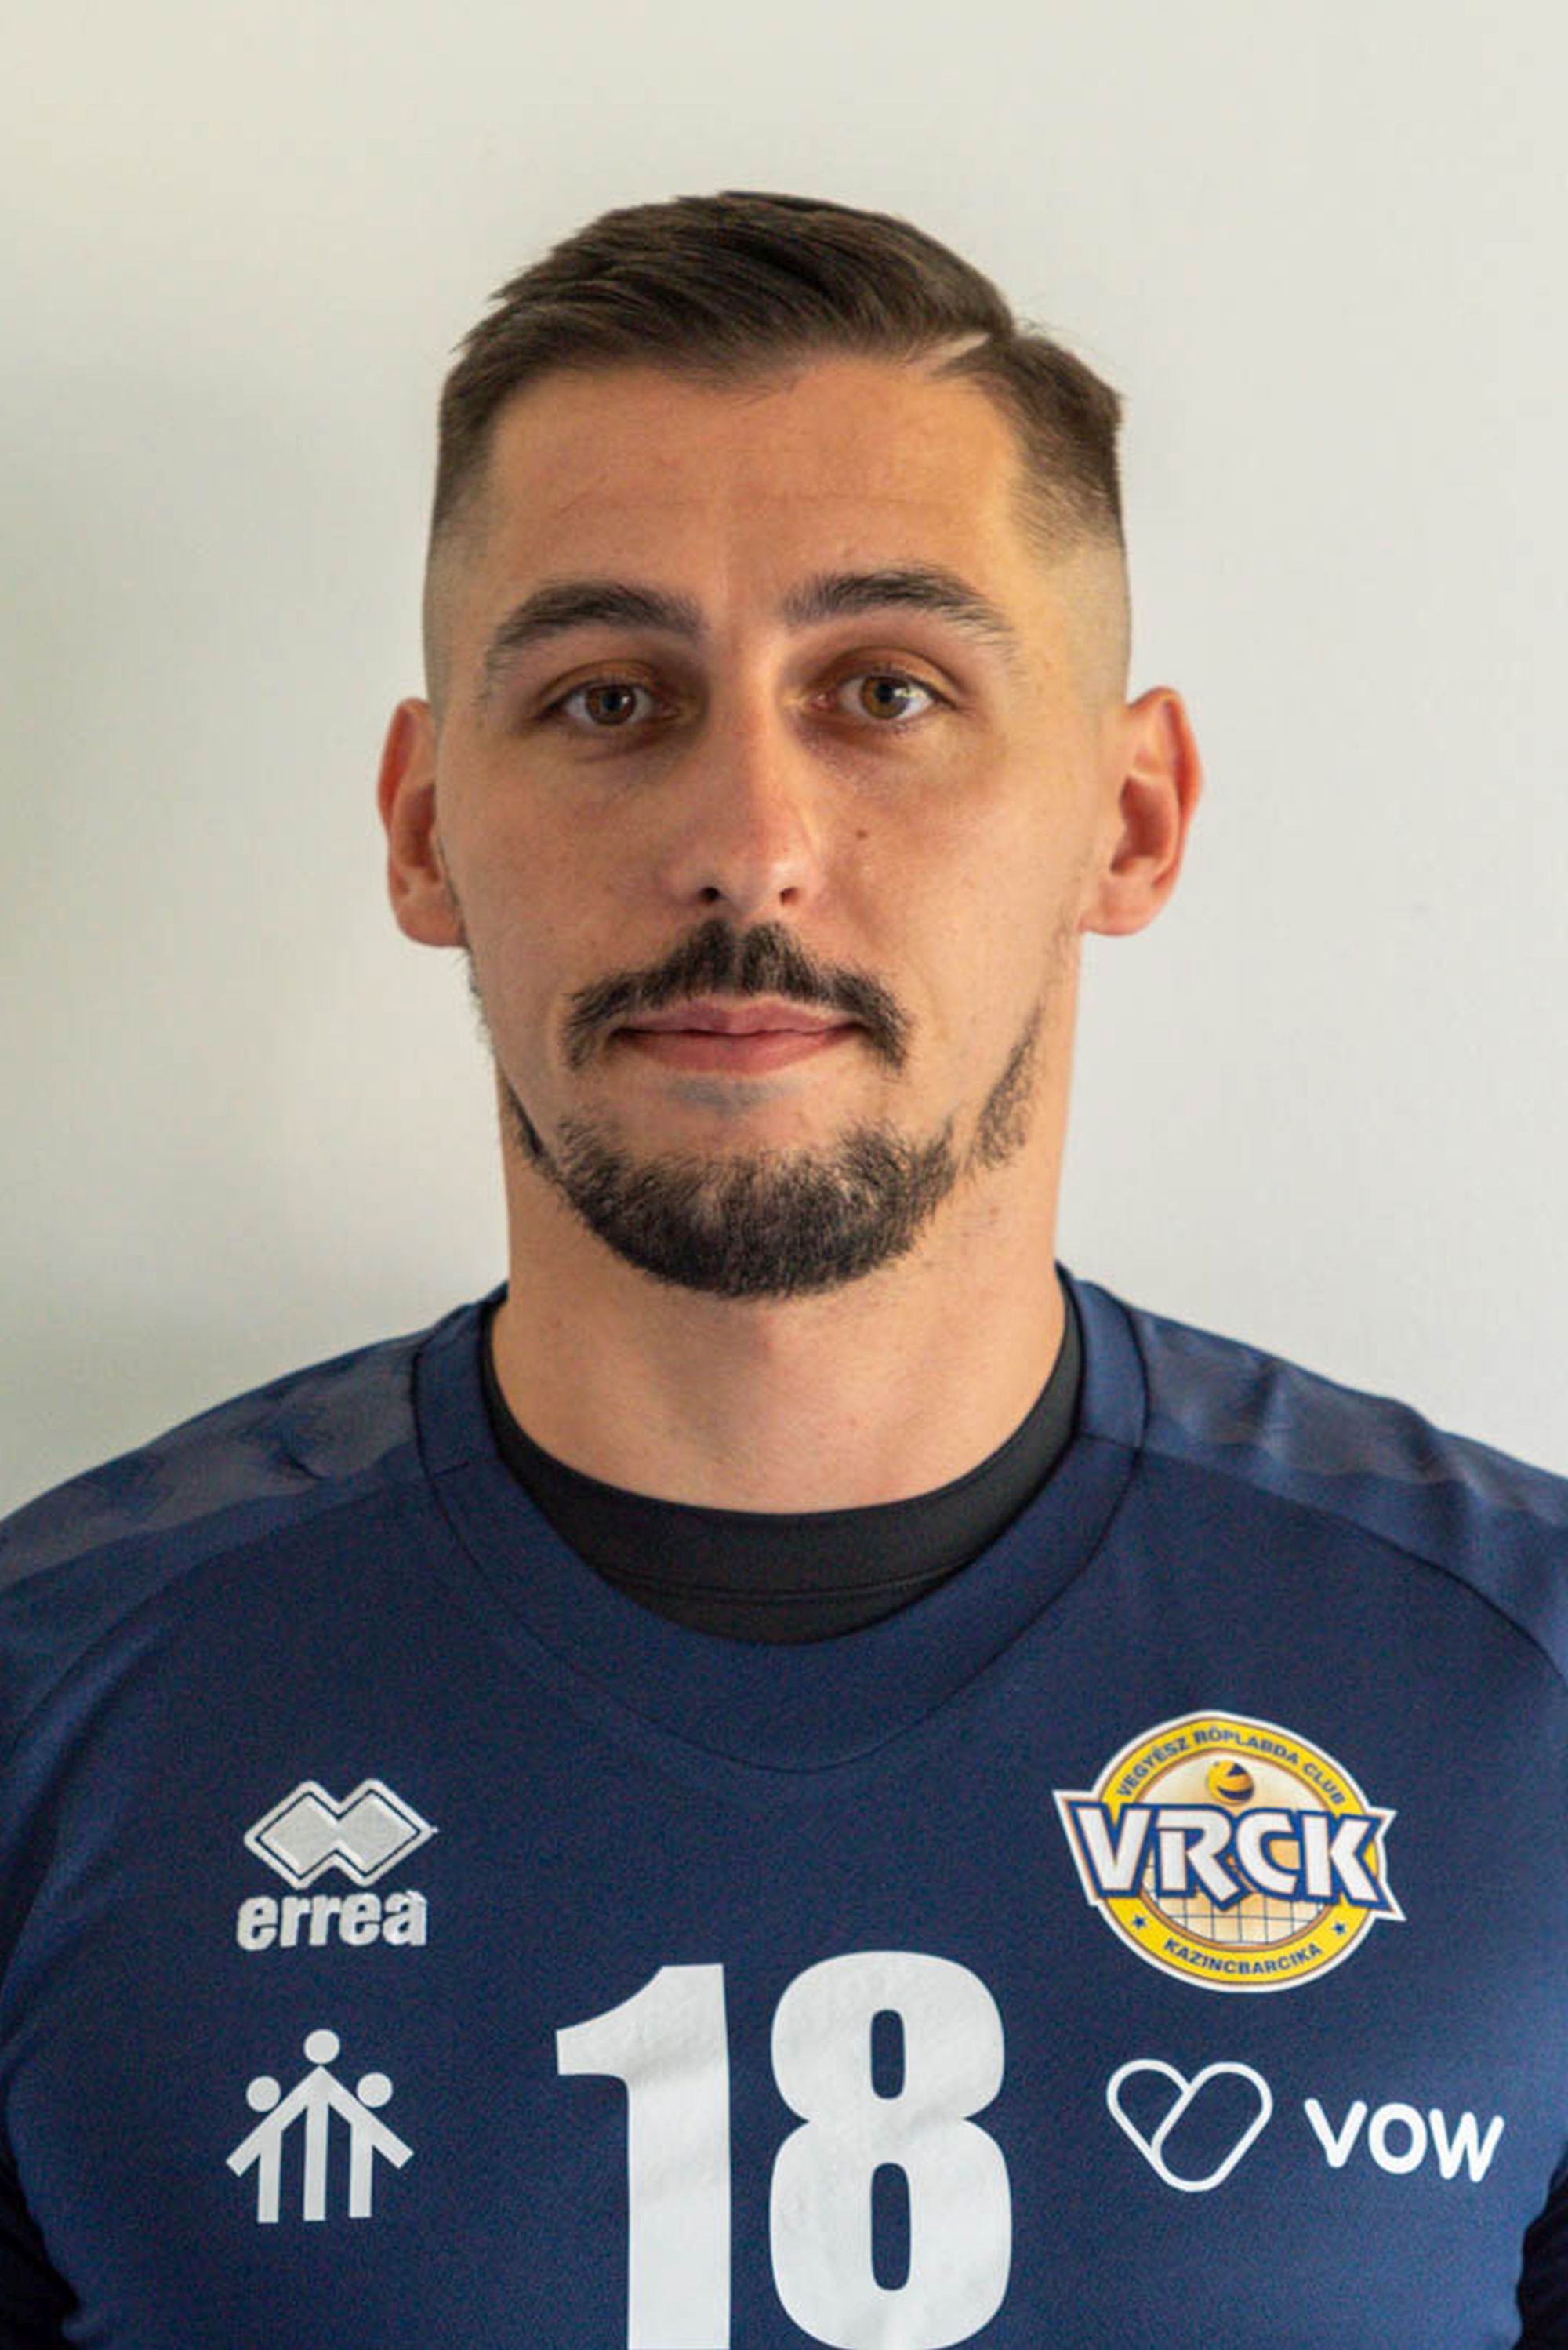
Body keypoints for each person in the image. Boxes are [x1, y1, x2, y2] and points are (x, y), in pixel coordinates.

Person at [2, 188, 1565, 2350]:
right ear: (426, 826)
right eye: (608, 698)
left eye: (888, 690)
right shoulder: (54, 1708)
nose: (746, 838)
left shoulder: (1521, 1694)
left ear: (1130, 818)